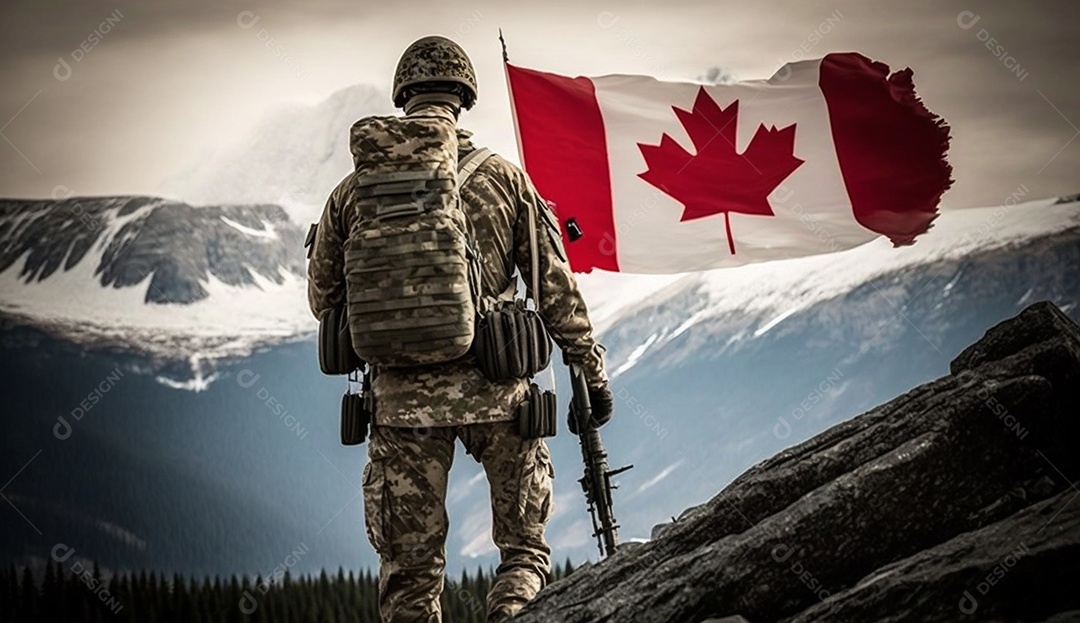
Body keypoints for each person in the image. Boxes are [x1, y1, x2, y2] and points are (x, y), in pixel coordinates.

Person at [307, 35, 613, 623]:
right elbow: (556, 291)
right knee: (524, 550)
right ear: (464, 97)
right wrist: (593, 378)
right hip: (499, 392)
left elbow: (324, 299)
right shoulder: (503, 177)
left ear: (404, 98)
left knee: (410, 579)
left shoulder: (353, 192)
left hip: (399, 407)